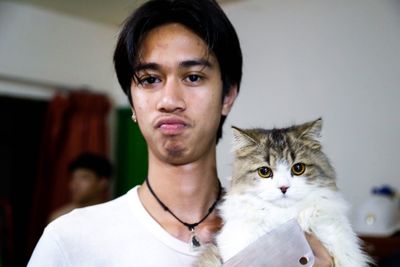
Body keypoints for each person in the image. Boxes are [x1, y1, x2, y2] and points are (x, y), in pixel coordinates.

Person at [28, 0, 333, 266]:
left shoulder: (294, 236)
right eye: (149, 79)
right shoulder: (68, 240)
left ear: (227, 96)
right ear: (132, 102)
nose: (170, 100)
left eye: (193, 76)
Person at [47, 153, 113, 222]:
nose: (75, 184)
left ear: (102, 182)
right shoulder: (59, 218)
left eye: (84, 177)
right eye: (73, 178)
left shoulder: (113, 217)